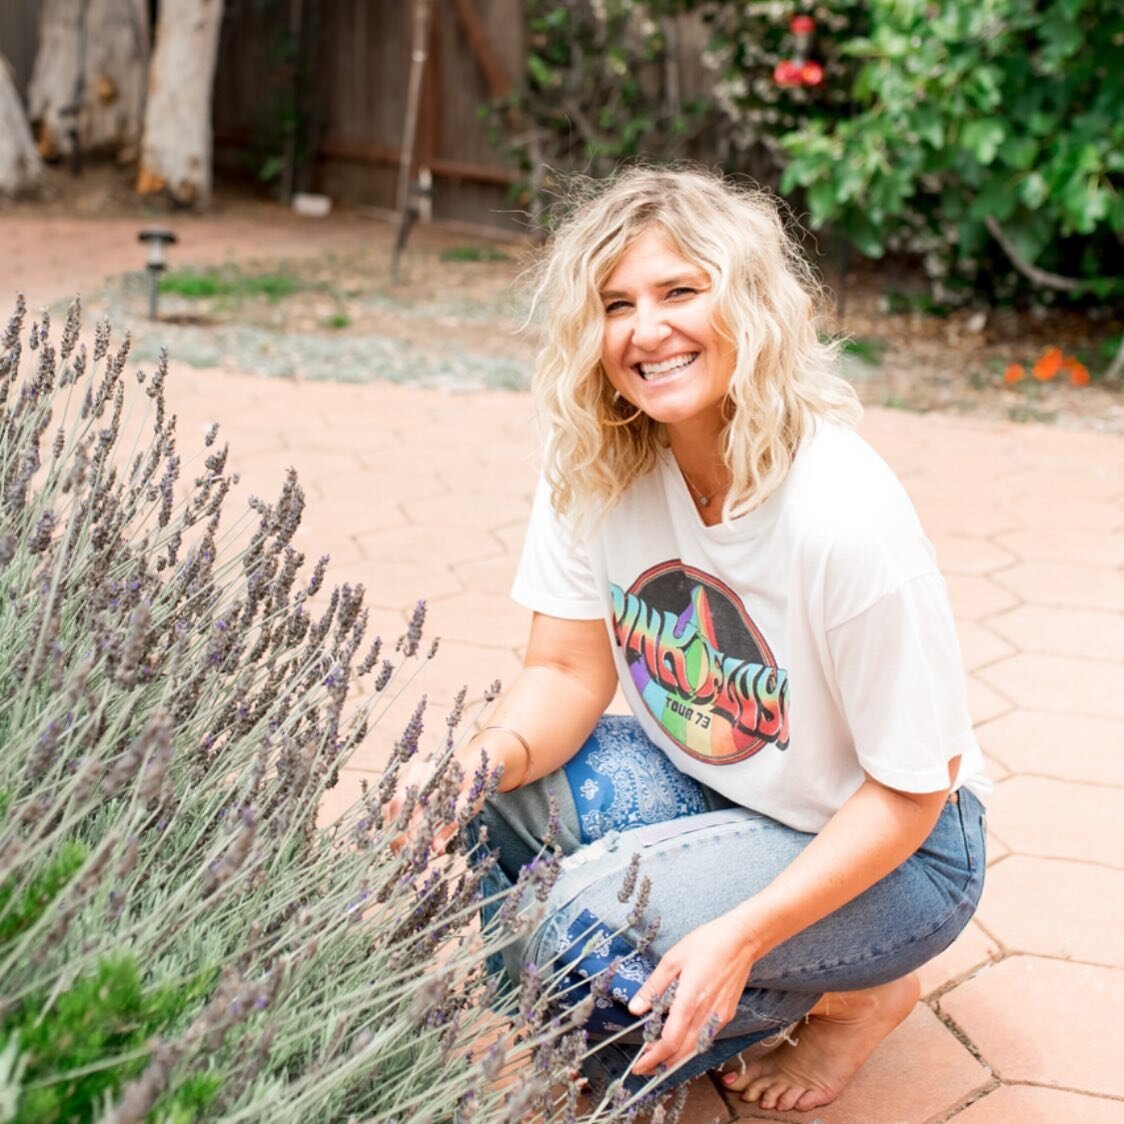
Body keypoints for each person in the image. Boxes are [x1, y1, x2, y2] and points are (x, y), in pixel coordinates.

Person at [405, 166, 989, 1113]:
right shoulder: (593, 461)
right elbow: (561, 672)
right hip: (730, 785)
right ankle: (736, 975)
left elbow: (912, 792)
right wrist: (467, 769)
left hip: (903, 852)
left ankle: (846, 987)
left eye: (681, 291)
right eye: (616, 304)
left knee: (577, 939)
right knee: (493, 808)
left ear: (750, 304)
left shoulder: (844, 515)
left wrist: (746, 933)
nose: (648, 330)